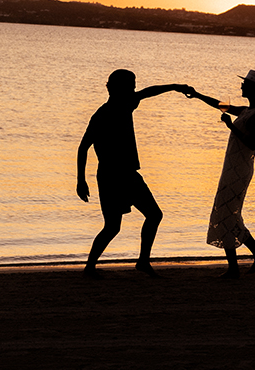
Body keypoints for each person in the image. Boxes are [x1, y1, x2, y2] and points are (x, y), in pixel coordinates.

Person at [76, 69, 191, 278]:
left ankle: (137, 262)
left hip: (119, 175)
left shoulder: (119, 106)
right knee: (119, 224)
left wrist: (175, 87)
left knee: (140, 219)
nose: (135, 89)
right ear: (117, 88)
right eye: (131, 85)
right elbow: (83, 147)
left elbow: (148, 92)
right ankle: (96, 266)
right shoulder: (109, 111)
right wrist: (80, 180)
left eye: (134, 85)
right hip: (117, 176)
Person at [186, 70, 255, 278]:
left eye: (245, 85)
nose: (241, 87)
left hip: (239, 170)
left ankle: (242, 264)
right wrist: (197, 95)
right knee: (228, 214)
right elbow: (220, 105)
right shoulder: (245, 110)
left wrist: (230, 126)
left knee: (226, 214)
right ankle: (252, 258)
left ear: (254, 90)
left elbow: (252, 144)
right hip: (233, 168)